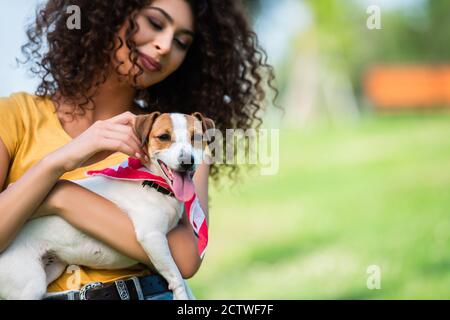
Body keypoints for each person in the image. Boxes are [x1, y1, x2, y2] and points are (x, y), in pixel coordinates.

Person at [0, 0, 277, 300]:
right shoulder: (15, 116)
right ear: (108, 12)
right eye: (156, 23)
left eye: (182, 42)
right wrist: (56, 164)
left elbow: (185, 258)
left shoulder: (182, 138)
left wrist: (59, 195)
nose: (165, 45)